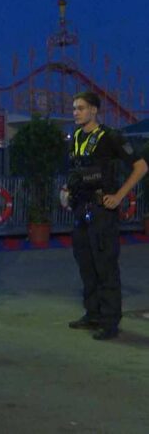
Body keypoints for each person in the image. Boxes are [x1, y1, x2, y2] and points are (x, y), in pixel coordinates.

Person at [66, 91, 147, 340]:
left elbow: (141, 166)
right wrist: (67, 191)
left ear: (93, 110)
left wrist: (120, 195)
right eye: (74, 108)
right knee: (86, 264)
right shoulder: (77, 137)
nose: (75, 112)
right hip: (81, 208)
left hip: (103, 210)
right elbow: (76, 171)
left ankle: (110, 322)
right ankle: (93, 314)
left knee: (105, 266)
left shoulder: (111, 136)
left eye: (80, 108)